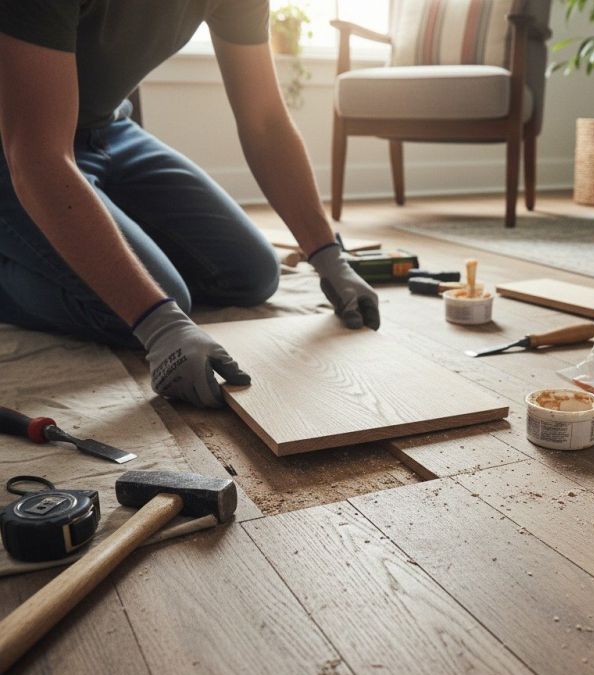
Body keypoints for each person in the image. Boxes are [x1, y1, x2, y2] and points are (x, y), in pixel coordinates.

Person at [0, 1, 380, 408]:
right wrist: (158, 323)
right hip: (18, 142)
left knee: (251, 274)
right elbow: (38, 155)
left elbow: (265, 120)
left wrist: (327, 255)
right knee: (142, 309)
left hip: (109, 130)